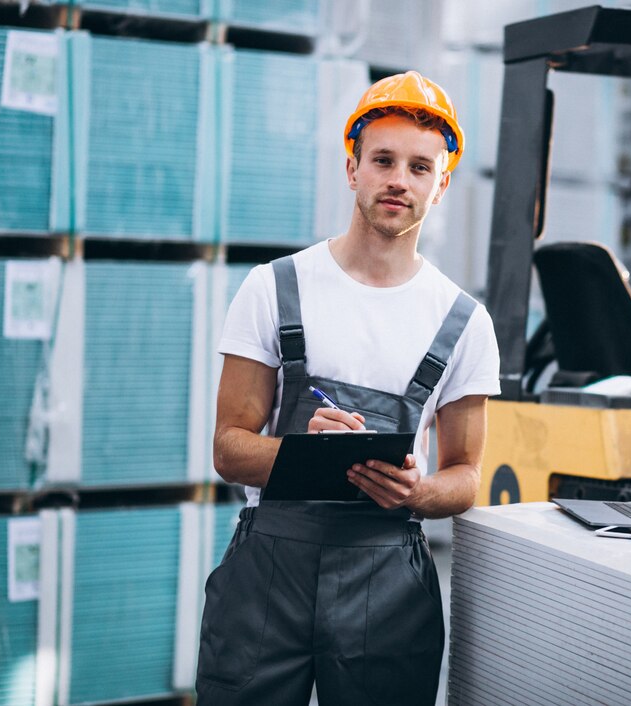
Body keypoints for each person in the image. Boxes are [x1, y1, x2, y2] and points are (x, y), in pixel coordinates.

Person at [196, 71, 501, 706]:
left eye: (420, 167)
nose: (399, 179)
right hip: (267, 574)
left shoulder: (464, 321)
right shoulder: (275, 287)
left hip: (387, 582)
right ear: (352, 169)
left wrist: (417, 490)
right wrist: (302, 453)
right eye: (383, 160)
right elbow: (228, 450)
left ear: (440, 185)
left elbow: (467, 476)